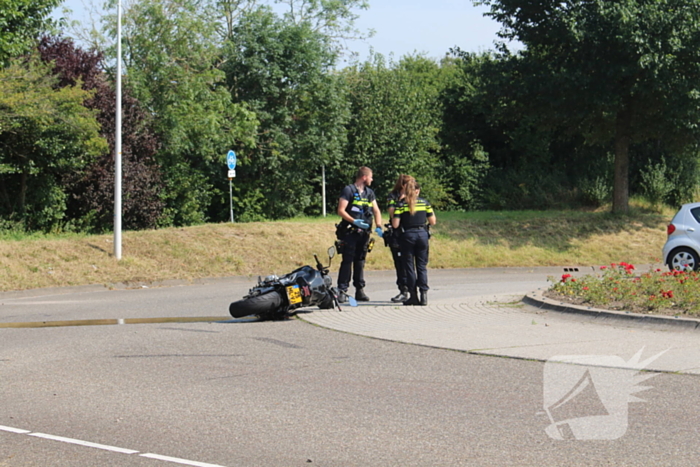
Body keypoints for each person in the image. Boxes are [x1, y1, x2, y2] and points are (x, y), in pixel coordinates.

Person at [335, 166, 383, 302]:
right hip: (350, 232)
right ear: (364, 177)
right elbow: (341, 210)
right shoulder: (348, 190)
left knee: (360, 261)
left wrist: (378, 226)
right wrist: (354, 221)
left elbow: (376, 210)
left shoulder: (369, 193)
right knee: (347, 260)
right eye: (371, 177)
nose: (372, 179)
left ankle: (359, 289)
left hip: (364, 233)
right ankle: (342, 290)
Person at [391, 177, 436, 306]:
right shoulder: (425, 203)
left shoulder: (401, 204)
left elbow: (395, 224)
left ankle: (413, 296)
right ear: (417, 191)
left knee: (409, 267)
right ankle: (424, 294)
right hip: (422, 235)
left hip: (407, 236)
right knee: (422, 266)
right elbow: (433, 221)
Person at [386, 174, 410, 302]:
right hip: (396, 233)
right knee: (400, 263)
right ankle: (403, 290)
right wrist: (401, 202)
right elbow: (391, 212)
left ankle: (413, 290)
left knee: (411, 263)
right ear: (403, 185)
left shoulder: (413, 197)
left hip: (410, 233)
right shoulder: (393, 196)